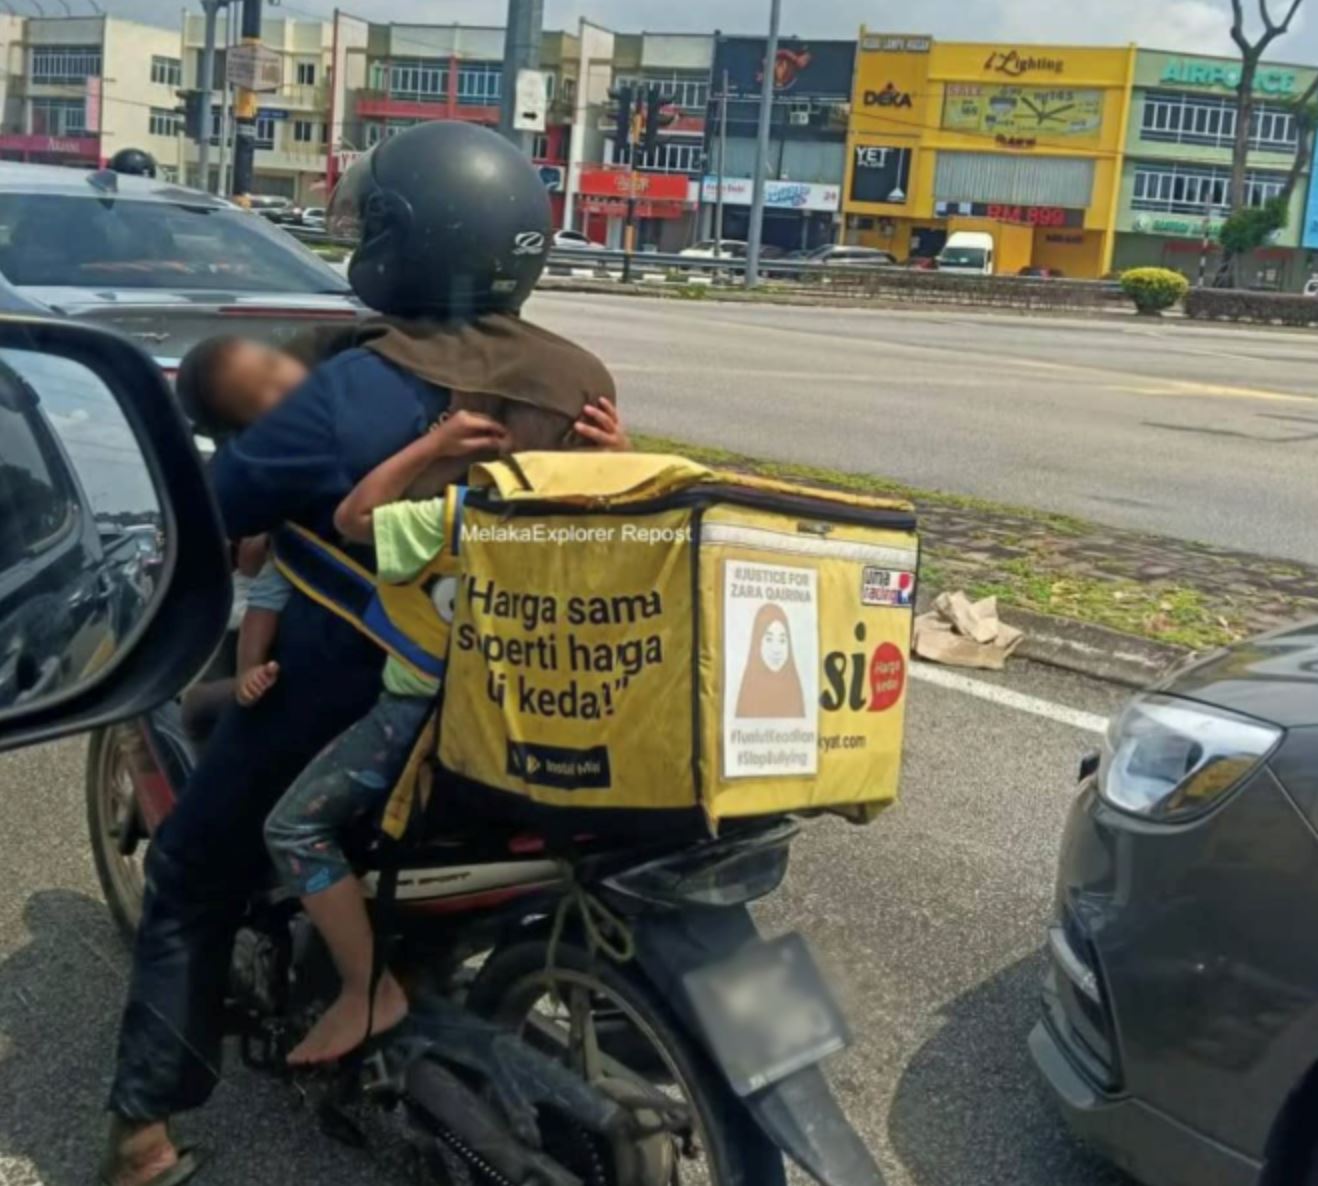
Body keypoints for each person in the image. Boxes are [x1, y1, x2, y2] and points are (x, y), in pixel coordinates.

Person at [103, 121, 617, 1186]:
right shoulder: (579, 380)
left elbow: (211, 514)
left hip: (365, 696)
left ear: (401, 240)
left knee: (194, 868)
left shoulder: (349, 390)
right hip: (530, 696)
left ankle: (143, 1133)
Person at [265, 395, 628, 1066]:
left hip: (424, 724)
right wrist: (620, 466)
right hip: (546, 729)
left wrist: (433, 448)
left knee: (292, 830)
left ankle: (365, 989)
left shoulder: (462, 519)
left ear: (491, 438)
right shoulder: (612, 524)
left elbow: (353, 517)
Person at [736, 603, 806, 719]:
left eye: (782, 640)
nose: (776, 649)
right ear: (757, 642)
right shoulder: (748, 693)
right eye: (769, 639)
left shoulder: (794, 692)